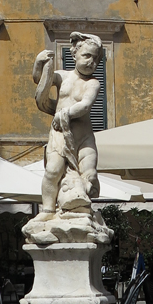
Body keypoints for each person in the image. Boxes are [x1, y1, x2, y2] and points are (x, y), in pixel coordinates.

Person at [32, 32, 103, 216]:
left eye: (95, 59)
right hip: (60, 135)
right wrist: (39, 64)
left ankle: (79, 207)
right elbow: (40, 82)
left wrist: (64, 113)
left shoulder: (93, 83)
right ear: (74, 55)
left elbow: (85, 105)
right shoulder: (62, 77)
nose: (91, 62)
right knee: (52, 171)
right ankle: (47, 211)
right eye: (87, 56)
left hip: (84, 137)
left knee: (90, 175)